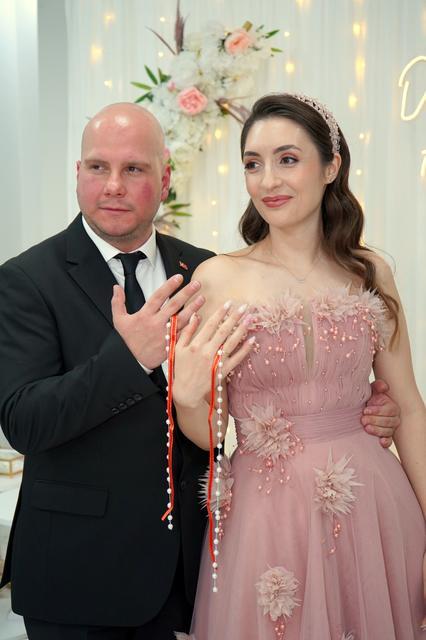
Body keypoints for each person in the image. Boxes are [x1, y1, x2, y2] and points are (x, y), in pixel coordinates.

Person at [0, 102, 400, 640]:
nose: (113, 185)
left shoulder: (205, 268)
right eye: (98, 167)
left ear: (165, 179)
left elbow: (240, 397)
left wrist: (364, 405)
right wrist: (129, 358)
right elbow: (23, 422)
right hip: (80, 572)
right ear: (78, 173)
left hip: (193, 566)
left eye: (134, 168)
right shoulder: (27, 278)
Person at [172, 94, 426, 639]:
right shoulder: (217, 279)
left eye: (287, 159)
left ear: (331, 167)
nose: (268, 180)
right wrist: (188, 396)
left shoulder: (369, 271)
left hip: (373, 506)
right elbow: (211, 434)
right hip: (267, 515)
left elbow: (407, 407)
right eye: (253, 163)